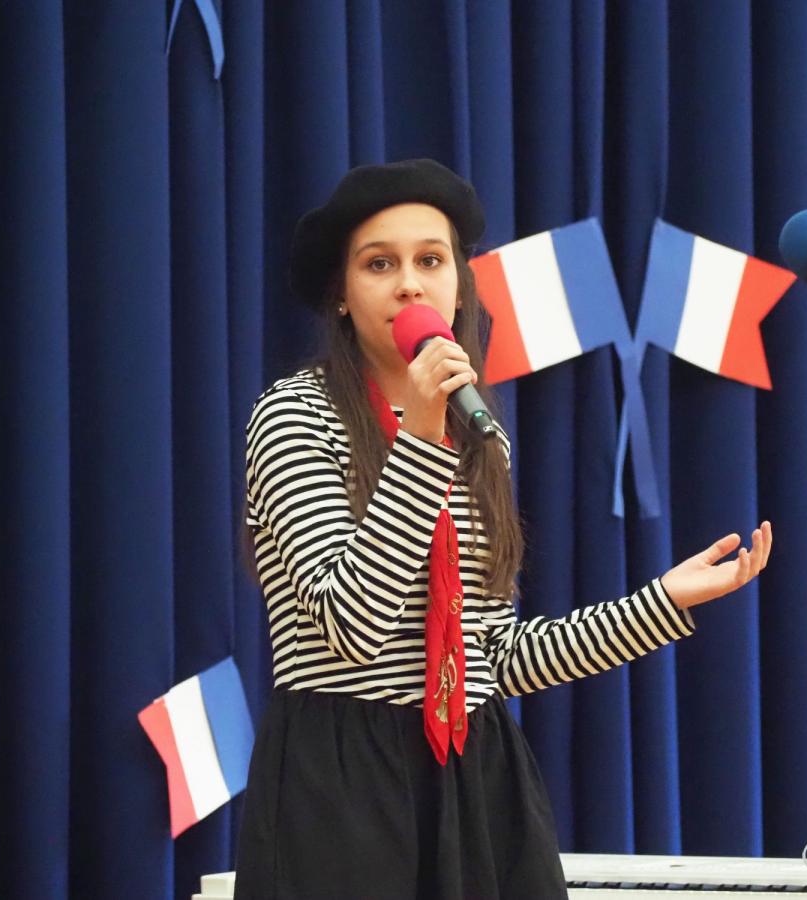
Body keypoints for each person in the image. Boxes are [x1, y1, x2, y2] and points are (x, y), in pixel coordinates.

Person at [234, 158, 772, 900]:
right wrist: (422, 442)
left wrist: (661, 603)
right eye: (379, 264)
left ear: (460, 289)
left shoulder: (478, 433)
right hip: (342, 780)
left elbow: (492, 658)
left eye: (431, 261)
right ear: (342, 298)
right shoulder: (294, 416)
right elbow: (351, 626)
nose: (410, 284)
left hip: (477, 774)